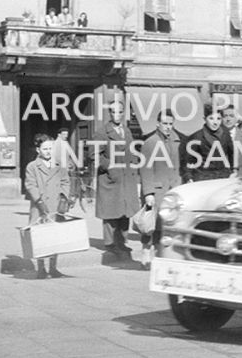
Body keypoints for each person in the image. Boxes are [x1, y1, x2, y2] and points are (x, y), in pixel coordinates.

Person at [93, 98, 141, 259]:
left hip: (127, 177)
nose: (117, 115)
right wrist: (109, 167)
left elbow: (132, 149)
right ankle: (111, 244)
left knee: (125, 212)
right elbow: (94, 156)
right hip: (110, 179)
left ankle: (122, 243)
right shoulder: (102, 132)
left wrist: (135, 161)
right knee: (111, 213)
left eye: (120, 112)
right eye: (113, 112)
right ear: (109, 113)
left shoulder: (126, 131)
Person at [137, 110, 182, 268]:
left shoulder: (176, 141)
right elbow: (145, 169)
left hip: (171, 190)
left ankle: (159, 253)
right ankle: (145, 251)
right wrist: (148, 193)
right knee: (150, 225)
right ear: (158, 124)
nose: (168, 127)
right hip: (156, 190)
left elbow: (177, 167)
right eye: (165, 124)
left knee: (165, 225)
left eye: (170, 124)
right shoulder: (150, 142)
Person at [23, 130, 71, 279]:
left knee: (55, 237)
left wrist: (64, 198)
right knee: (41, 237)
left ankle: (53, 267)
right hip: (40, 206)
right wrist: (39, 201)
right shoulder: (32, 166)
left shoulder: (59, 165)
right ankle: (41, 268)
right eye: (45, 149)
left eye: (51, 148)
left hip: (56, 206)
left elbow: (65, 182)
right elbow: (30, 185)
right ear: (38, 150)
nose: (48, 152)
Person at [183, 103, 232, 182]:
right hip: (202, 178)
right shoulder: (196, 137)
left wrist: (233, 171)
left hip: (223, 178)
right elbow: (188, 161)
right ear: (205, 119)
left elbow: (232, 154)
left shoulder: (226, 135)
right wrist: (189, 177)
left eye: (218, 119)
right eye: (211, 118)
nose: (215, 122)